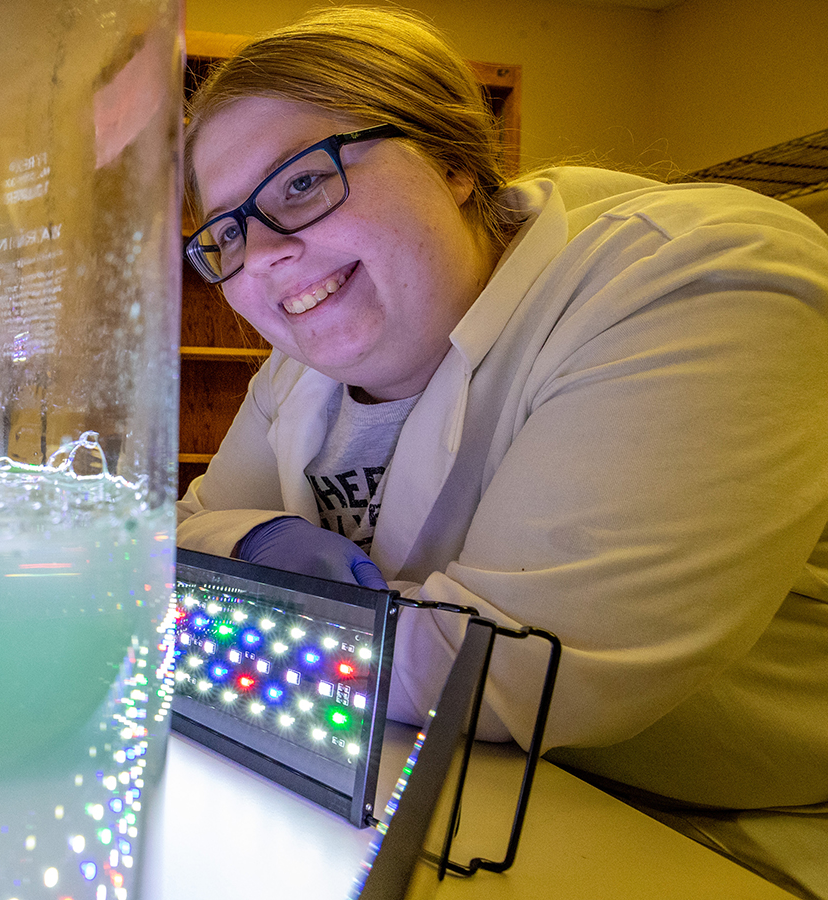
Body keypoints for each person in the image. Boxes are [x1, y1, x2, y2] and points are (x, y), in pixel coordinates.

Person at [175, 6, 828, 896]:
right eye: (229, 231)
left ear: (453, 160)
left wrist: (207, 599)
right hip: (442, 785)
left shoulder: (697, 276)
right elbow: (174, 544)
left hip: (723, 833)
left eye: (300, 183)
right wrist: (250, 549)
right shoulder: (299, 372)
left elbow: (511, 673)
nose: (267, 257)